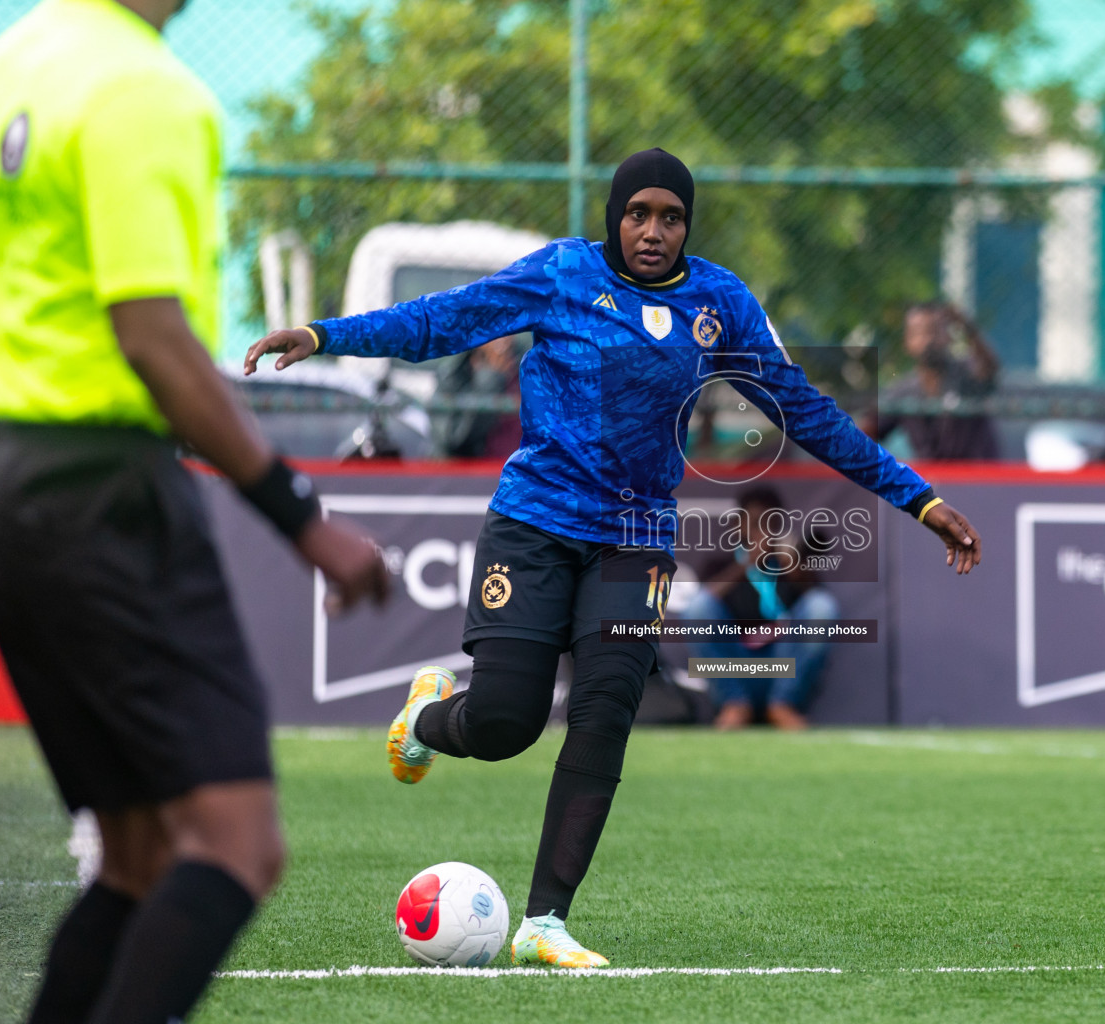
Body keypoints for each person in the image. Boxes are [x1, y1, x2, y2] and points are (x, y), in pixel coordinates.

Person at [244, 147, 982, 968]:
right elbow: (442, 320)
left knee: (603, 712)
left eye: (670, 217)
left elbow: (807, 411)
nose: (653, 231)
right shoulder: (561, 275)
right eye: (638, 214)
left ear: (688, 226)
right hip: (534, 525)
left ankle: (545, 924)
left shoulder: (720, 301)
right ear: (614, 217)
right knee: (503, 726)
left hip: (637, 540)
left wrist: (920, 497)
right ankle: (425, 716)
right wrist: (325, 333)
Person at [0, 2, 391, 1022]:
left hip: (8, 482)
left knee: (137, 854)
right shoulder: (146, 91)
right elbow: (154, 338)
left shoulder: (11, 61)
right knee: (238, 844)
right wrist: (302, 517)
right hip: (107, 497)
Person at [686, 486, 839, 731]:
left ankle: (784, 704)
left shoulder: (791, 564)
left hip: (783, 666)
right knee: (698, 606)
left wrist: (793, 568)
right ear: (739, 525)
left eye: (771, 523)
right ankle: (733, 704)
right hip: (738, 667)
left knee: (822, 605)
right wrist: (747, 563)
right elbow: (701, 607)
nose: (763, 532)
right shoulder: (722, 563)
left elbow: (817, 610)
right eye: (756, 523)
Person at [875, 302, 1001, 460]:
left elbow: (990, 368)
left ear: (948, 336)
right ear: (907, 342)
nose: (928, 340)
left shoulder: (967, 375)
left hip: (975, 478)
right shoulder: (903, 391)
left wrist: (967, 328)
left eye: (934, 331)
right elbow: (869, 429)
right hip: (930, 480)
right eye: (918, 333)